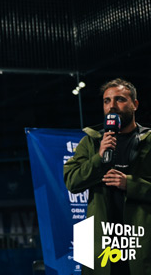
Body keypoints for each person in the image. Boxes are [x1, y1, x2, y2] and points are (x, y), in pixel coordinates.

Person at [64, 78, 151, 275]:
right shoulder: (91, 141)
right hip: (98, 242)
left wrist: (130, 184)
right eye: (106, 101)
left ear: (135, 104)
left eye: (120, 99)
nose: (112, 106)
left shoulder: (149, 140)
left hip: (140, 240)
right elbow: (72, 181)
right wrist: (98, 158)